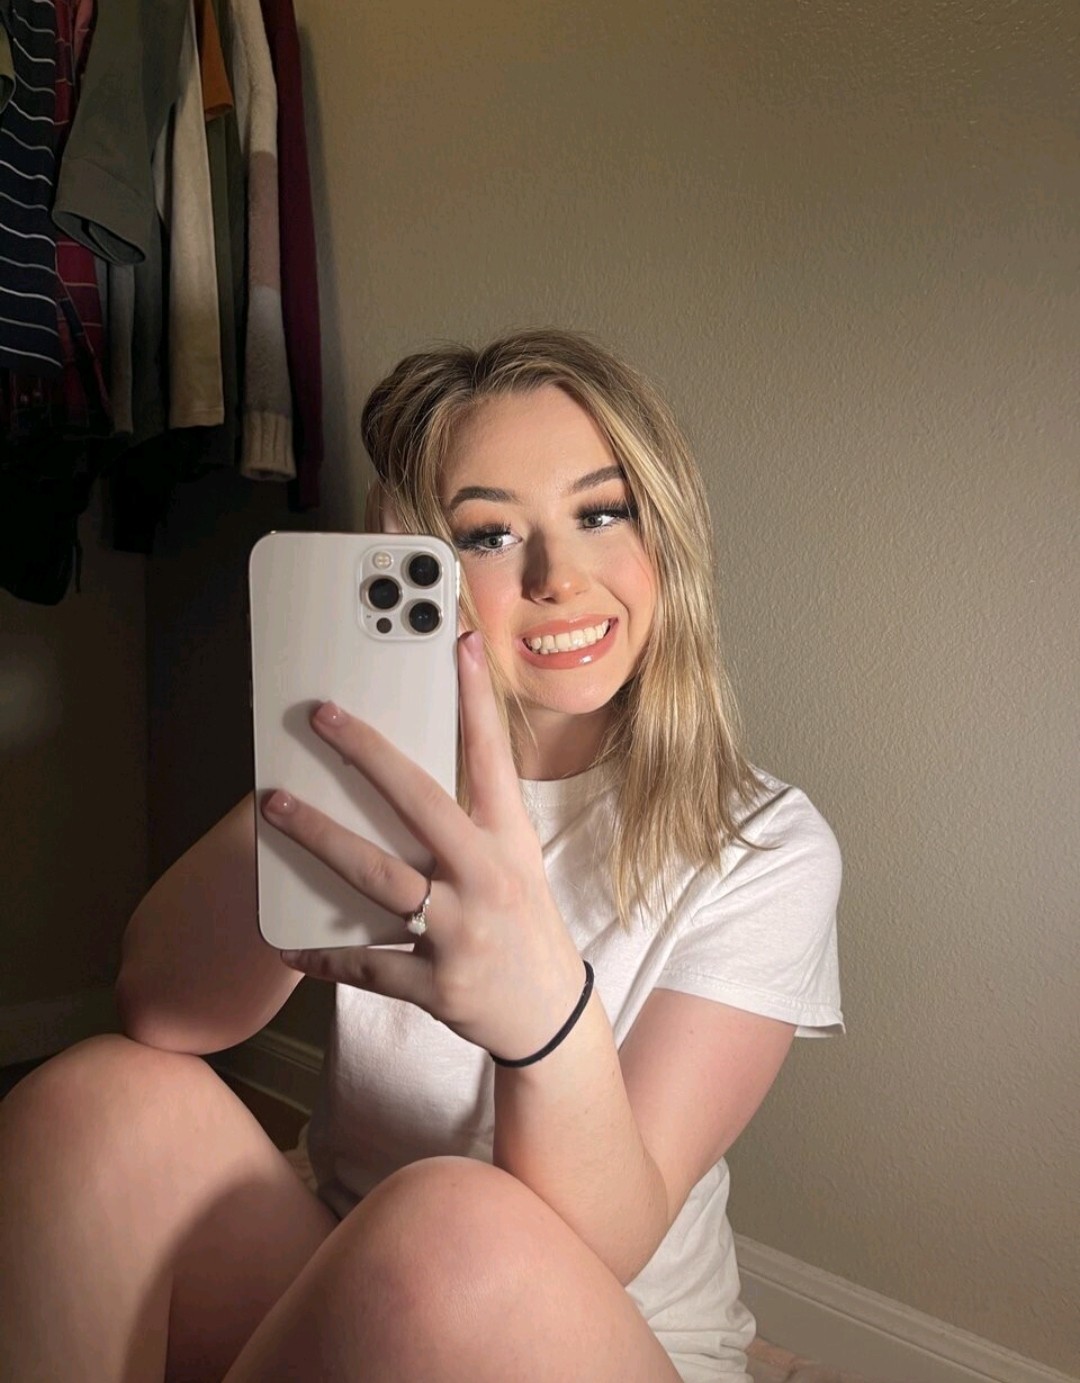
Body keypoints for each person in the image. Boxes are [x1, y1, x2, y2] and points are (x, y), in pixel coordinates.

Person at [0, 329, 843, 1382]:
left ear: (665, 531)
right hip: (347, 1268)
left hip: (605, 1330)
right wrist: (327, 760)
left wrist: (543, 1018)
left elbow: (610, 1239)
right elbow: (163, 1011)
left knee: (452, 1227)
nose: (558, 577)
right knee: (93, 1100)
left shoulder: (764, 846)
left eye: (601, 513)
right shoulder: (376, 774)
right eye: (487, 535)